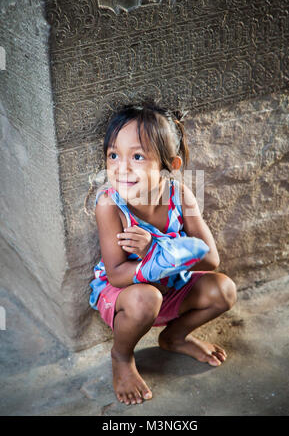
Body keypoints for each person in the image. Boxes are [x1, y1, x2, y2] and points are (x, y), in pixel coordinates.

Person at [89, 102, 237, 406]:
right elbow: (117, 274)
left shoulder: (180, 195)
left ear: (171, 164)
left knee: (224, 289)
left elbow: (211, 259)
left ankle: (174, 338)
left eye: (138, 156)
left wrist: (157, 250)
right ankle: (121, 356)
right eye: (113, 155)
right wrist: (155, 258)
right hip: (128, 297)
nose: (122, 167)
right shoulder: (109, 205)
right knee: (147, 298)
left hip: (172, 286)